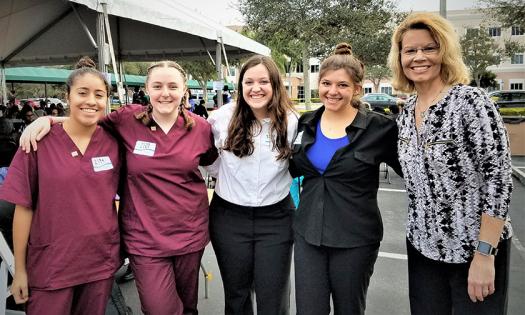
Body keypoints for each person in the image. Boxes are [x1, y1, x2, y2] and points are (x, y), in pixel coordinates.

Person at [20, 60, 217, 315]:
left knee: (188, 306)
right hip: (144, 238)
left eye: (172, 86)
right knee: (160, 308)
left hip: (190, 234)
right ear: (147, 89)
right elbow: (89, 117)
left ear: (184, 91)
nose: (165, 93)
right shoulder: (127, 119)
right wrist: (49, 119)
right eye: (157, 86)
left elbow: (211, 163)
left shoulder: (201, 128)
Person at [388, 13, 513, 315]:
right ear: (400, 57)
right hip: (422, 250)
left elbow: (498, 180)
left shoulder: (471, 102)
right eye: (410, 50)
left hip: (474, 252)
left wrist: (485, 254)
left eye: (429, 48)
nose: (419, 57)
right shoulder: (405, 114)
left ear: (444, 52)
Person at [0, 57, 121, 315]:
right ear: (67, 96)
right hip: (51, 265)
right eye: (82, 92)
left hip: (99, 262)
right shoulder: (37, 142)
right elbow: (23, 208)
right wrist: (20, 270)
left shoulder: (114, 142)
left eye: (99, 94)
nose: (91, 100)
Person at [290, 43, 401, 315]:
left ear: (357, 90)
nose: (332, 91)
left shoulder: (379, 128)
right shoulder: (306, 123)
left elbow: (413, 173)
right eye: (326, 83)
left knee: (349, 309)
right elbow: (292, 168)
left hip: (355, 240)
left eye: (342, 85)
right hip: (308, 234)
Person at [206, 54, 298, 314]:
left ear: (275, 85)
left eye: (263, 81)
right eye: (249, 82)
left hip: (277, 218)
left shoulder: (292, 122)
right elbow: (207, 158)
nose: (256, 88)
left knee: (273, 296)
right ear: (240, 86)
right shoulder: (221, 119)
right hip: (229, 218)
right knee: (237, 295)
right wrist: (223, 175)